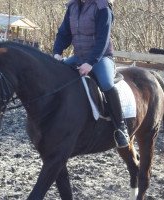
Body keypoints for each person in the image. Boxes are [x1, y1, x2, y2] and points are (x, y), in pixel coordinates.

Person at [53, 0, 130, 148]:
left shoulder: (102, 7)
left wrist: (91, 62)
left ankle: (121, 128)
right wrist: (57, 52)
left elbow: (103, 39)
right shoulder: (72, 7)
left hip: (101, 58)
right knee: (56, 75)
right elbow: (64, 33)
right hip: (79, 57)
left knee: (107, 83)